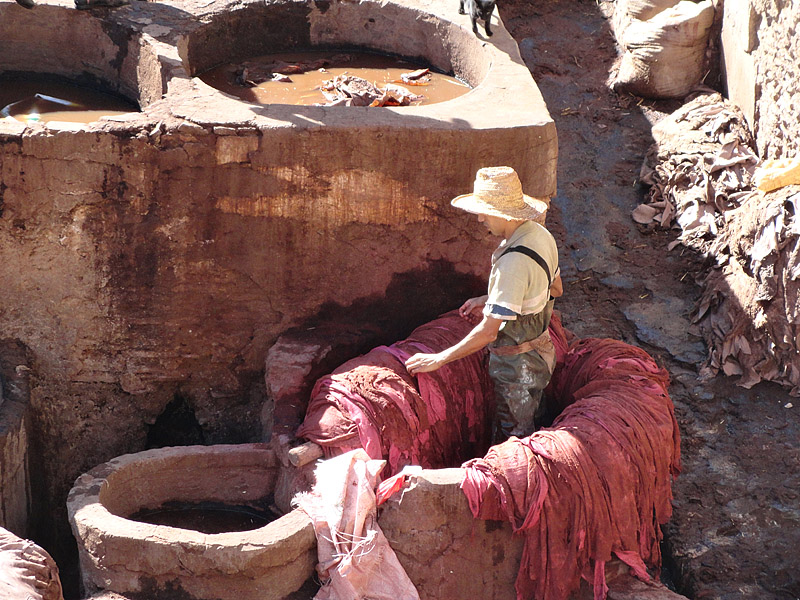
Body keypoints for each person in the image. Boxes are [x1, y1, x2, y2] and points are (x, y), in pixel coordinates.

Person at [405, 166, 561, 440]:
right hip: (542, 356)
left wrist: (438, 359)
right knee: (535, 416)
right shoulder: (540, 235)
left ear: (502, 214)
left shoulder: (512, 263)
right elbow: (555, 288)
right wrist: (493, 298)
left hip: (517, 370)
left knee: (514, 440)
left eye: (484, 212)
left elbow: (489, 331)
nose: (479, 219)